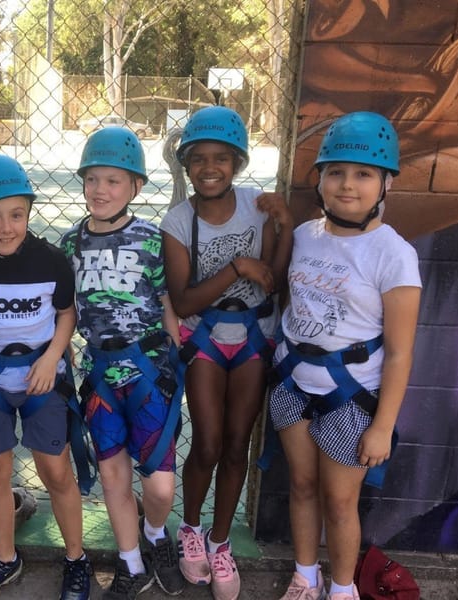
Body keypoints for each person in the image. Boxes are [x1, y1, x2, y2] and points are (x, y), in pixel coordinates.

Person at [269, 111, 421, 600]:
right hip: (293, 386)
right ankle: (305, 575)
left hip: (350, 399)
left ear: (385, 183)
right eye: (335, 172)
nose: (347, 185)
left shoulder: (392, 254)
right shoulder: (306, 238)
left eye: (363, 174)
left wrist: (382, 426)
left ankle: (340, 589)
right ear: (320, 179)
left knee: (340, 502)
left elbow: (399, 353)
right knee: (302, 488)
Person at [160, 105, 293, 600]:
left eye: (221, 158)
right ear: (186, 165)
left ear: (236, 162)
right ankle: (190, 529)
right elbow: (184, 300)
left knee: (239, 443)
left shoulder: (256, 208)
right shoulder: (178, 222)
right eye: (198, 159)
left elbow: (272, 281)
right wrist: (237, 266)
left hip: (254, 335)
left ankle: (219, 543)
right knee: (210, 443)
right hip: (207, 339)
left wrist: (285, 228)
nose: (209, 167)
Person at [0, 153, 92, 600]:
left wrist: (50, 359)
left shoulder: (50, 261)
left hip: (42, 377)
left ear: (29, 212)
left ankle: (76, 559)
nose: (6, 227)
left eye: (16, 215)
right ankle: (5, 558)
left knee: (56, 470)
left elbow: (66, 315)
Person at [60, 127, 185, 599]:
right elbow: (68, 308)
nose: (100, 190)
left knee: (158, 486)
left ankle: (155, 534)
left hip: (150, 376)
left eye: (113, 181)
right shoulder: (71, 243)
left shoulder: (153, 240)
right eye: (92, 179)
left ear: (134, 186)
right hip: (100, 377)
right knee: (112, 474)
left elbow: (169, 303)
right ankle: (131, 565)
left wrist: (176, 360)